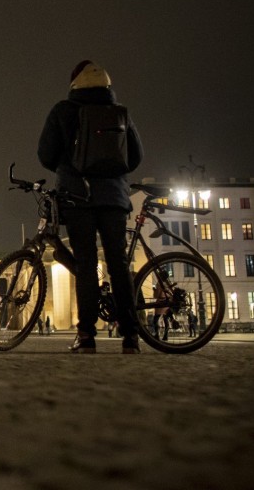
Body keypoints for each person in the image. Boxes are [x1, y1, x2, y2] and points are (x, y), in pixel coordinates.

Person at [38, 60, 144, 354]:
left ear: (74, 84)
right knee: (118, 264)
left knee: (85, 265)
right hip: (114, 199)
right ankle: (131, 336)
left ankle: (86, 334)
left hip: (78, 197)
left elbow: (45, 154)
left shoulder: (63, 111)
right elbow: (135, 157)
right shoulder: (119, 112)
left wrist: (69, 164)